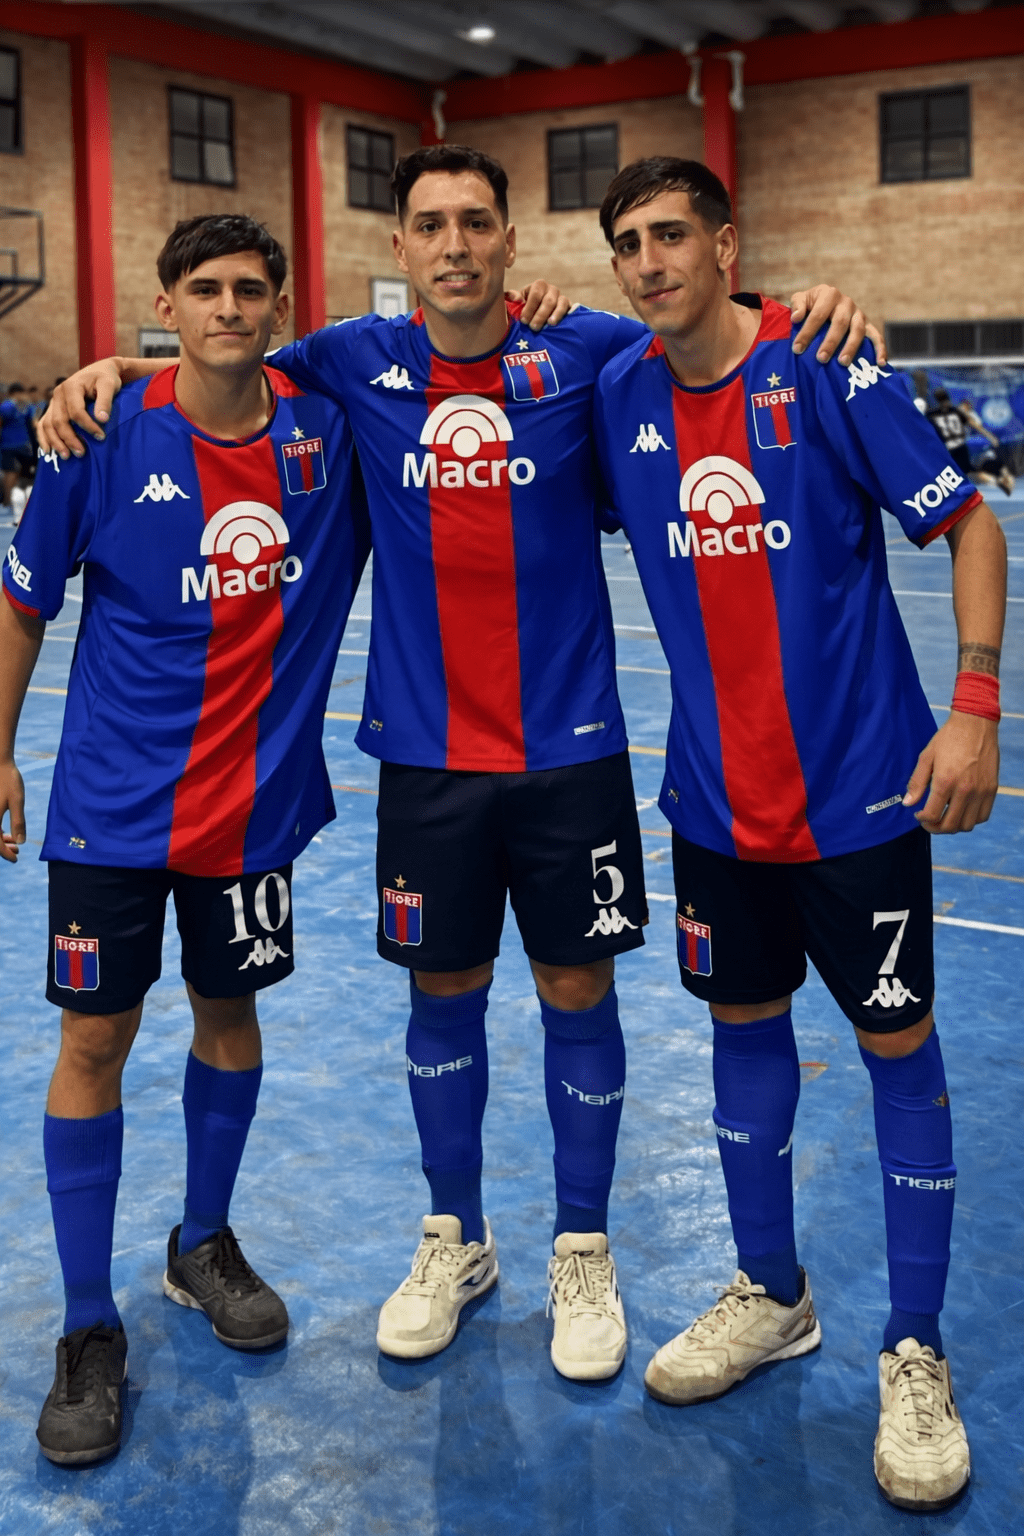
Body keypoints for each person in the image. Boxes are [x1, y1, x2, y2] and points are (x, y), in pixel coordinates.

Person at [37, 145, 875, 1385]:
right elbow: (219, 361)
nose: (455, 245)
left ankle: (581, 1247)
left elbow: (710, 329)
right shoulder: (345, 363)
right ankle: (455, 1238)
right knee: (444, 995)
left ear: (508, 242)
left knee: (577, 991)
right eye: (429, 224)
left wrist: (804, 308)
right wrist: (107, 371)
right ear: (402, 248)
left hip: (570, 746)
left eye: (476, 222)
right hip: (427, 758)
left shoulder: (587, 350)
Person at [592, 157, 1006, 1510]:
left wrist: (975, 711)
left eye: (671, 235)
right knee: (743, 1031)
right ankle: (771, 1293)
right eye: (626, 243)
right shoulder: (616, 393)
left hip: (864, 801)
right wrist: (135, 373)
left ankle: (916, 1345)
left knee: (896, 1048)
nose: (649, 261)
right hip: (716, 806)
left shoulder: (827, 365)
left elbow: (972, 528)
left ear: (727, 246)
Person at [0, 214, 370, 1465]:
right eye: (203, 288)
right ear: (165, 305)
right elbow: (23, 603)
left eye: (249, 289)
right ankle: (86, 1324)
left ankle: (200, 1241)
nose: (227, 307)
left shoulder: (326, 432)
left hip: (252, 811)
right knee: (93, 1039)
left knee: (229, 1013)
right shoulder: (98, 434)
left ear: (278, 306)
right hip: (112, 810)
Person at [926, 386, 1014, 496]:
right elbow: (973, 424)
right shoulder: (955, 411)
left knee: (947, 473)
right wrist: (990, 436)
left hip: (947, 448)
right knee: (968, 471)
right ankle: (996, 481)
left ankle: (954, 495)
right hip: (960, 446)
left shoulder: (932, 414)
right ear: (948, 397)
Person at [1, 381, 34, 509]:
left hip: (22, 444)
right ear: (15, 393)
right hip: (10, 444)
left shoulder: (25, 405)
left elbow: (32, 420)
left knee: (21, 473)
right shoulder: (7, 405)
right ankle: (7, 501)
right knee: (11, 472)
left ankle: (15, 500)